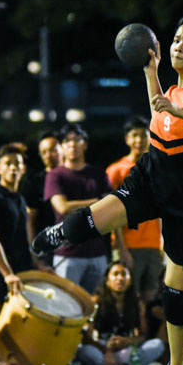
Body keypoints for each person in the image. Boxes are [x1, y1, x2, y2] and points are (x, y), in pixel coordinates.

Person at [32, 14, 183, 365]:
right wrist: (151, 75)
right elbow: (161, 115)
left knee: (176, 299)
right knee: (92, 218)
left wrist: (176, 110)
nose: (178, 45)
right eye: (176, 39)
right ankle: (59, 233)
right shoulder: (172, 91)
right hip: (150, 178)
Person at [43, 123, 114, 294]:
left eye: (77, 140)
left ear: (85, 144)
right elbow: (62, 207)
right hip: (67, 254)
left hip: (98, 253)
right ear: (62, 146)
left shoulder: (98, 175)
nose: (72, 144)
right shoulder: (55, 175)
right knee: (67, 308)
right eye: (67, 141)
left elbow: (112, 208)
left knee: (97, 306)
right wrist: (97, 202)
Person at [0, 143, 45, 320]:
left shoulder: (20, 199)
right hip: (1, 277)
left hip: (22, 271)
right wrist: (7, 274)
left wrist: (37, 263)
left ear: (23, 168)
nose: (13, 167)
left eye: (17, 163)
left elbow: (23, 236)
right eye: (8, 163)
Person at [105, 116, 163, 305]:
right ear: (127, 140)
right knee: (126, 296)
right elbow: (110, 211)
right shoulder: (116, 170)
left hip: (154, 245)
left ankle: (144, 335)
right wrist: (121, 247)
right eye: (134, 136)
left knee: (150, 297)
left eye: (144, 135)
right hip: (128, 244)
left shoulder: (158, 168)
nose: (139, 140)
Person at [77, 261, 165, 365]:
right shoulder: (96, 301)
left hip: (128, 351)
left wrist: (128, 341)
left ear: (130, 280)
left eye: (124, 274)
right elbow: (87, 338)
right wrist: (107, 350)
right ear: (107, 280)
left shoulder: (137, 303)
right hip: (103, 350)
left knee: (157, 345)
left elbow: (144, 335)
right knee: (84, 351)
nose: (120, 278)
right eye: (115, 274)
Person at [21, 131, 61, 243]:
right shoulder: (34, 182)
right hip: (49, 245)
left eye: (52, 150)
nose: (48, 155)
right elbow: (31, 220)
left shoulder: (76, 177)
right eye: (44, 152)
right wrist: (35, 253)